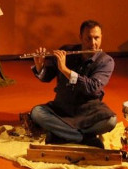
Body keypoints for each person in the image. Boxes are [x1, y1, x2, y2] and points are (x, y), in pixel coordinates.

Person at [27, 20, 117, 148]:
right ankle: (82, 138)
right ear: (80, 37)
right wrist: (40, 66)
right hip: (62, 107)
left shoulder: (106, 61)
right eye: (88, 38)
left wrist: (65, 70)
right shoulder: (66, 51)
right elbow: (47, 77)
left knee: (111, 121)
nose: (93, 43)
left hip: (88, 111)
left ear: (101, 37)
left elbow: (92, 87)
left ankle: (61, 133)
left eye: (96, 38)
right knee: (37, 113)